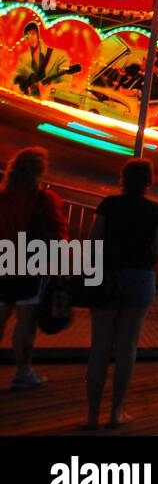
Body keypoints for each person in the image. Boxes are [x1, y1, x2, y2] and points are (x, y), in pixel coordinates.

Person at [84, 158, 158, 429]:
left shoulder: (108, 205)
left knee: (99, 346)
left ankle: (92, 414)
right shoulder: (156, 211)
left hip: (107, 275)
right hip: (140, 276)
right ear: (149, 182)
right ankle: (116, 412)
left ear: (122, 179)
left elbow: (94, 238)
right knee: (127, 346)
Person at [0, 147, 67, 390]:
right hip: (31, 264)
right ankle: (23, 371)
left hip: (3, 260)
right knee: (25, 321)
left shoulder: (3, 197)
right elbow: (58, 233)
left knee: (1, 317)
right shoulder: (43, 199)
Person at [13, 22, 75, 98]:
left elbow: (66, 84)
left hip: (47, 102)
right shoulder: (24, 58)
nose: (30, 38)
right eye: (27, 35)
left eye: (33, 34)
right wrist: (21, 83)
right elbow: (15, 76)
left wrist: (49, 88)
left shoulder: (59, 56)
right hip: (28, 100)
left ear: (39, 35)